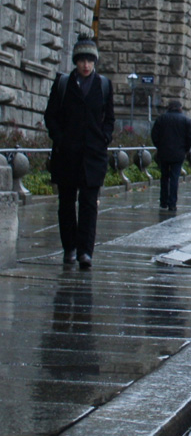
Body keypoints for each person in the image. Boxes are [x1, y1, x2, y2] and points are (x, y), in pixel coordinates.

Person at [44, 38, 115, 270]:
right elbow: (50, 116)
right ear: (76, 62)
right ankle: (69, 248)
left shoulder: (103, 85)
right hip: (66, 155)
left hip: (93, 155)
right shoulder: (63, 84)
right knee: (66, 203)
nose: (86, 65)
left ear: (95, 62)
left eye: (90, 60)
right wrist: (60, 138)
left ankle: (85, 251)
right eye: (82, 60)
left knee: (88, 204)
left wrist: (105, 137)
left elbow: (109, 118)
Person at [151, 100, 191, 211]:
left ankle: (163, 201)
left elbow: (154, 135)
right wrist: (185, 149)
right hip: (179, 153)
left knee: (164, 177)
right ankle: (172, 203)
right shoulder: (185, 120)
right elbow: (190, 137)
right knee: (175, 178)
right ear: (180, 108)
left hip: (164, 152)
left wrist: (159, 147)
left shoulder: (161, 119)